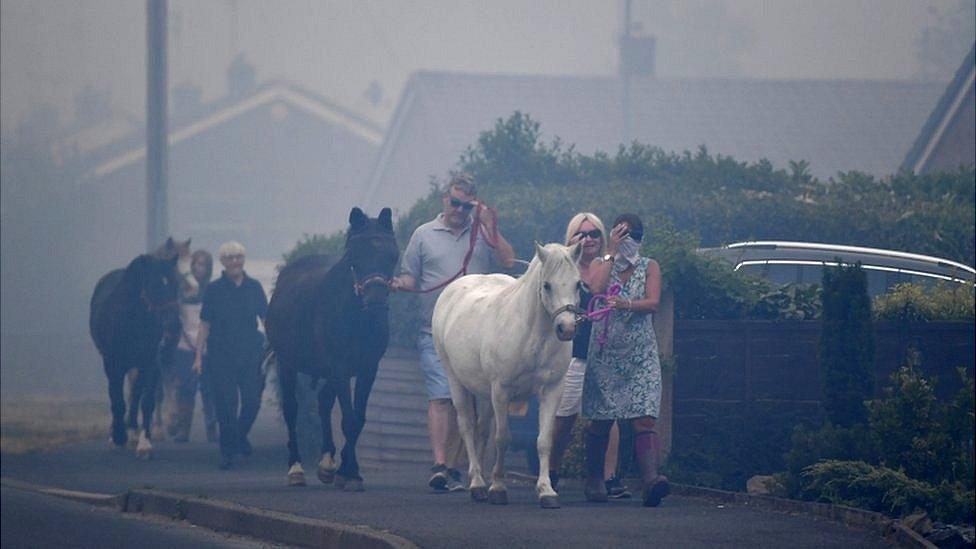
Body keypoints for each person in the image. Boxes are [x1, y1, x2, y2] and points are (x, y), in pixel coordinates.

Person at [391, 173, 516, 492]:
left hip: (477, 333)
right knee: (442, 395)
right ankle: (441, 464)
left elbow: (508, 260)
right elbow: (410, 277)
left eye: (466, 205)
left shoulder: (481, 233)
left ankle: (464, 466)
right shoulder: (423, 234)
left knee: (477, 402)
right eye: (455, 202)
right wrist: (393, 285)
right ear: (445, 199)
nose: (459, 210)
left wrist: (490, 227)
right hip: (434, 328)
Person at [581, 213, 670, 507]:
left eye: (635, 237)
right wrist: (611, 251)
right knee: (601, 419)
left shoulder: (649, 266)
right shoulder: (601, 263)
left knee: (644, 416)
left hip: (640, 354)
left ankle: (650, 480)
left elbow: (653, 302)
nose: (630, 242)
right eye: (623, 235)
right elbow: (595, 288)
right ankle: (594, 478)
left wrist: (626, 304)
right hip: (605, 352)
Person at [548, 213, 630, 499]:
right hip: (574, 352)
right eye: (581, 234)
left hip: (605, 352)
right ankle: (551, 470)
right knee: (564, 417)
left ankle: (609, 477)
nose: (589, 239)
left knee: (609, 418)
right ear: (570, 239)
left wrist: (610, 256)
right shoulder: (562, 270)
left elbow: (602, 287)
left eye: (595, 233)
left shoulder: (610, 265)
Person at [193, 241, 269, 470]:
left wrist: (273, 347)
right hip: (220, 354)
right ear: (223, 262)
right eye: (230, 258)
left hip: (251, 353)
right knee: (225, 405)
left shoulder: (255, 287)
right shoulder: (214, 290)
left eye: (239, 257)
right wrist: (198, 357)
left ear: (243, 260)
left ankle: (238, 436)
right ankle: (228, 452)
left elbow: (266, 321)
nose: (235, 261)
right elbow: (204, 325)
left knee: (252, 401)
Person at [162, 249, 218, 442]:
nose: (197, 268)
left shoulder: (213, 290)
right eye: (195, 263)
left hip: (208, 347)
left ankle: (212, 428)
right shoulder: (180, 291)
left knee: (209, 389)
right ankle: (184, 430)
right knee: (186, 388)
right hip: (185, 345)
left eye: (202, 264)